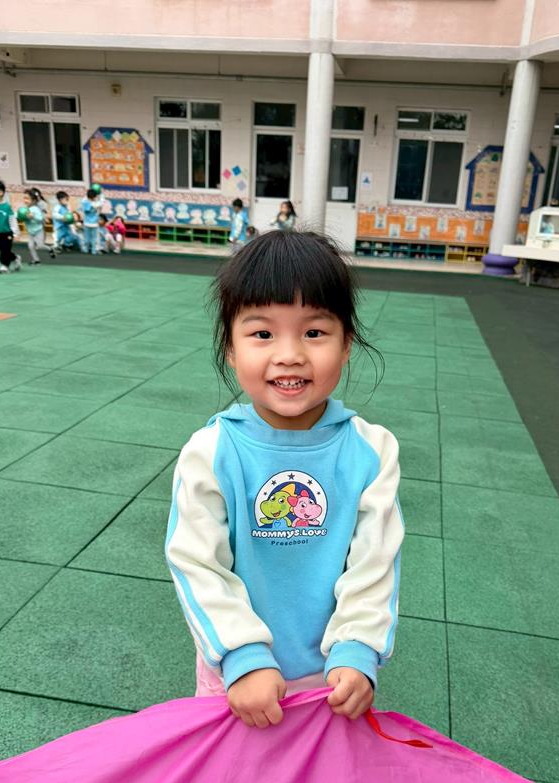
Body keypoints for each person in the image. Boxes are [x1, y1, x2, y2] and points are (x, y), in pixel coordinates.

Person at [165, 230, 400, 730]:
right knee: (233, 774)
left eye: (314, 332)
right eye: (262, 334)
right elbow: (197, 563)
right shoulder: (211, 451)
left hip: (331, 677)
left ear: (347, 344)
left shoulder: (372, 450)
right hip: (236, 676)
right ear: (230, 349)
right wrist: (241, 655)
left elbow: (375, 561)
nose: (289, 354)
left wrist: (358, 647)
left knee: (319, 778)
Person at [0, 179, 21, 274]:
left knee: (5, 250)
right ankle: (15, 258)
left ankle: (4, 266)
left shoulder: (6, 207)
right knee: (3, 249)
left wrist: (15, 233)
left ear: (0, 193)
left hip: (7, 232)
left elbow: (12, 220)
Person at [20, 190, 52, 265]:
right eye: (24, 198)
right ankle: (36, 260)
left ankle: (50, 249)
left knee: (40, 246)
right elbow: (21, 218)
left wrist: (33, 216)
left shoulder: (35, 209)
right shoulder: (25, 209)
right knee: (30, 246)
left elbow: (40, 218)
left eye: (27, 198)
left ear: (34, 200)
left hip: (38, 230)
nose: (25, 200)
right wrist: (22, 217)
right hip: (31, 231)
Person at [79, 188, 101, 254]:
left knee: (87, 237)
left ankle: (87, 249)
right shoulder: (94, 203)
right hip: (92, 223)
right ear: (94, 197)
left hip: (88, 223)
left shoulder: (85, 203)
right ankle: (93, 250)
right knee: (93, 238)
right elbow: (99, 204)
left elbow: (84, 202)